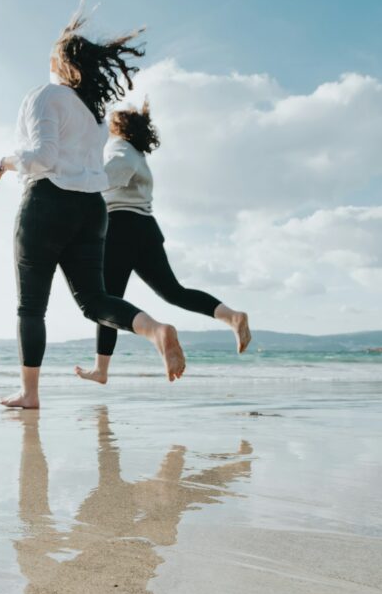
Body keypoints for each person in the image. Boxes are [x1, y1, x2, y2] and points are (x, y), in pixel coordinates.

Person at [0, 8, 185, 409]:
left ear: (60, 63)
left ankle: (29, 393)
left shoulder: (45, 96)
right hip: (92, 210)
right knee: (94, 300)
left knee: (31, 306)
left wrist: (5, 162)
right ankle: (155, 329)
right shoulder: (94, 115)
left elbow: (42, 157)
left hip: (47, 202)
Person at [75, 101, 251, 384]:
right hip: (145, 229)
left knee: (108, 301)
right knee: (174, 292)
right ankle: (232, 317)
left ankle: (102, 368)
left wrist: (81, 180)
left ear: (119, 128)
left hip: (119, 227)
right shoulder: (139, 155)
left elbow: (112, 173)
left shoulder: (120, 148)